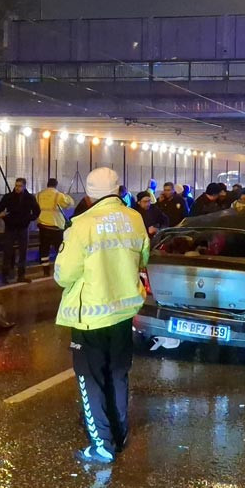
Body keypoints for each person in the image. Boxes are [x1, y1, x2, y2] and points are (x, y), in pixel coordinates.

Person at [54, 167, 149, 464]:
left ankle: (101, 445)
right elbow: (144, 258)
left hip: (91, 317)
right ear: (118, 190)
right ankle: (119, 436)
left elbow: (64, 275)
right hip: (123, 313)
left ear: (88, 195)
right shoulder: (135, 219)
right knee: (118, 374)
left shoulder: (82, 225)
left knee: (91, 380)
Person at [0, 177, 40, 283]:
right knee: (7, 252)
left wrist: (28, 219)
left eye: (20, 186)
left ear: (24, 186)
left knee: (23, 252)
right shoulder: (8, 197)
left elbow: (37, 211)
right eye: (16, 185)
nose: (17, 188)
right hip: (10, 227)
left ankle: (21, 275)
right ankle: (5, 275)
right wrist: (4, 217)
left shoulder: (29, 198)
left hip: (23, 228)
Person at [37, 177, 73, 263]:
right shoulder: (58, 195)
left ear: (47, 184)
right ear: (56, 185)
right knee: (59, 247)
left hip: (42, 225)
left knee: (44, 247)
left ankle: (45, 267)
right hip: (56, 226)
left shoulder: (39, 195)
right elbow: (69, 204)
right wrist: (67, 196)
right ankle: (60, 265)